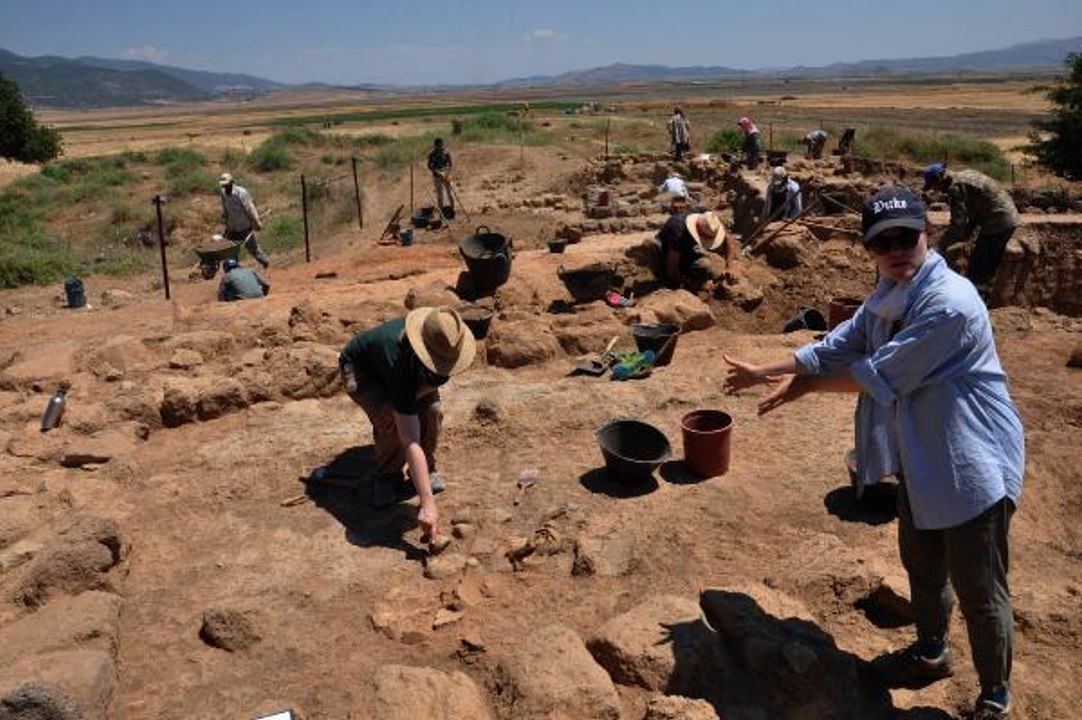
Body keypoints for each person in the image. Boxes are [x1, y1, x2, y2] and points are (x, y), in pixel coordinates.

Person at [722, 185, 1024, 720]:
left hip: (973, 461)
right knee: (922, 567)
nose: (896, 249)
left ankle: (995, 698)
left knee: (980, 590)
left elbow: (877, 374)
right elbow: (844, 342)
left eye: (906, 236)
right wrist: (766, 369)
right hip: (925, 456)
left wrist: (806, 387)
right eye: (883, 242)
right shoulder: (889, 291)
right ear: (870, 250)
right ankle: (931, 652)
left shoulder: (949, 303)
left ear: (927, 235)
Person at [338, 307, 476, 543]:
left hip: (405, 373)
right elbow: (409, 439)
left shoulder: (447, 347)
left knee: (432, 411)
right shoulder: (397, 359)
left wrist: (404, 401)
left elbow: (432, 383)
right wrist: (427, 503)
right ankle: (387, 478)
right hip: (363, 371)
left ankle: (425, 469)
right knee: (390, 424)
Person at [923, 163, 1019, 292]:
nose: (937, 191)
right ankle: (985, 292)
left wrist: (940, 246)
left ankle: (979, 300)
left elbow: (958, 223)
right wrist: (967, 233)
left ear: (939, 179)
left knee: (978, 268)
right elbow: (975, 207)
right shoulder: (966, 173)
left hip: (997, 221)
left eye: (934, 186)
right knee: (986, 263)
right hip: (1009, 215)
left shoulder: (954, 188)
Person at [653, 210, 727, 290]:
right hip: (666, 251)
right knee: (670, 282)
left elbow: (728, 239)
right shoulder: (677, 231)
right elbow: (672, 271)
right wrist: (696, 285)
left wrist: (730, 266)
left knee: (705, 264)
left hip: (685, 250)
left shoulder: (709, 222)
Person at [218, 173, 270, 269]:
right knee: (231, 249)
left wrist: (256, 222)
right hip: (232, 227)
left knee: (252, 248)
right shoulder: (223, 193)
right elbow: (225, 208)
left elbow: (250, 208)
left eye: (227, 184)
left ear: (232, 182)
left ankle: (265, 262)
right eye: (223, 185)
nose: (225, 187)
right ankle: (234, 269)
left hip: (244, 226)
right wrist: (226, 222)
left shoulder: (241, 192)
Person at [427, 138, 454, 219]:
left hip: (446, 174)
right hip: (437, 176)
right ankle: (441, 213)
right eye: (438, 145)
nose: (439, 147)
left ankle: (452, 210)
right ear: (435, 145)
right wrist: (437, 172)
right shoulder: (432, 154)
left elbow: (450, 164)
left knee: (450, 193)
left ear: (442, 144)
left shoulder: (446, 152)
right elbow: (429, 166)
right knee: (440, 195)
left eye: (441, 145)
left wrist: (447, 172)